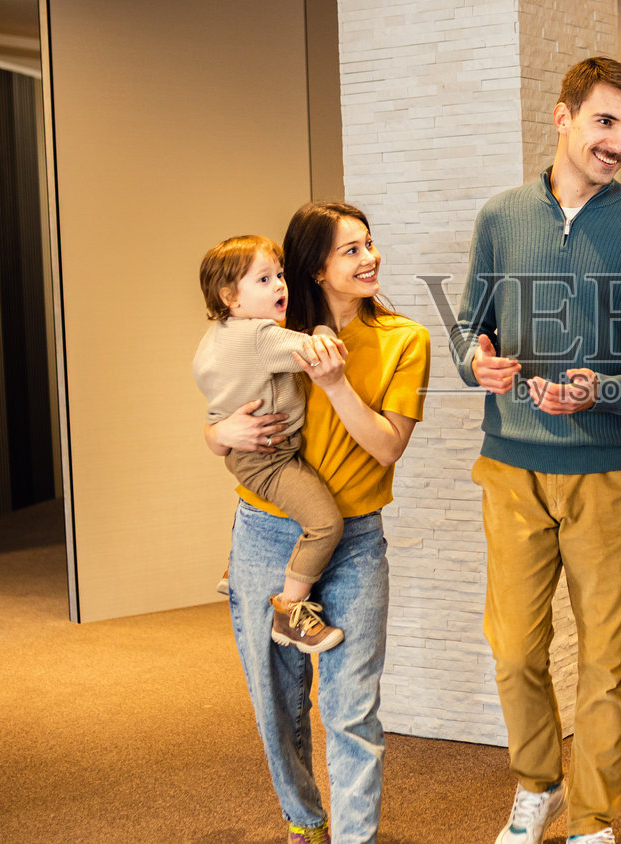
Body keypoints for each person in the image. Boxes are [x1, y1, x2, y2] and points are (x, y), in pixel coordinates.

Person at [452, 56, 621, 844]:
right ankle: (538, 787)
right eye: (605, 122)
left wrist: (609, 390)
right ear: (563, 117)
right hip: (512, 466)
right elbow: (469, 326)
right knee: (515, 648)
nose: (619, 142)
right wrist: (478, 362)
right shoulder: (502, 216)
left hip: (608, 473)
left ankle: (594, 821)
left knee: (606, 658)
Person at [206, 202, 430, 844]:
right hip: (265, 533)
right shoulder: (272, 332)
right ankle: (304, 822)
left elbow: (387, 447)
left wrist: (334, 385)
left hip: (355, 542)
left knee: (351, 707)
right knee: (276, 705)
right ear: (315, 267)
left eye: (370, 244)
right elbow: (225, 412)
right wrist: (217, 433)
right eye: (351, 250)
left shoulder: (403, 340)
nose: (370, 259)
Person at [194, 233, 347, 653]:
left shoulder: (214, 339)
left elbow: (214, 411)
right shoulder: (260, 336)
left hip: (243, 454)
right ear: (231, 298)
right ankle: (290, 611)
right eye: (264, 280)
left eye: (279, 275)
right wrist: (319, 327)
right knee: (324, 524)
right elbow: (322, 351)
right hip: (271, 459)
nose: (280, 285)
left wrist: (219, 432)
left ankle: (235, 565)